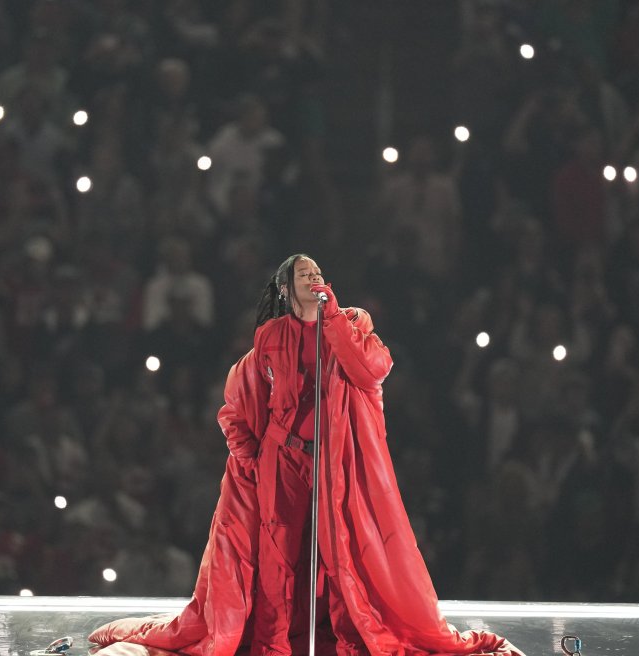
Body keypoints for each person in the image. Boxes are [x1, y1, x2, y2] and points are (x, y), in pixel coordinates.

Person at [90, 254, 522, 655]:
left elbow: (372, 370)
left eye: (317, 272)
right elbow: (238, 403)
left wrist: (332, 318)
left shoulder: (350, 322)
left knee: (339, 552)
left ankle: (347, 635)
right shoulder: (270, 337)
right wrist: (252, 459)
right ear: (285, 289)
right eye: (304, 274)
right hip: (283, 460)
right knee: (278, 553)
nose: (314, 277)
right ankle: (273, 644)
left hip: (334, 463)